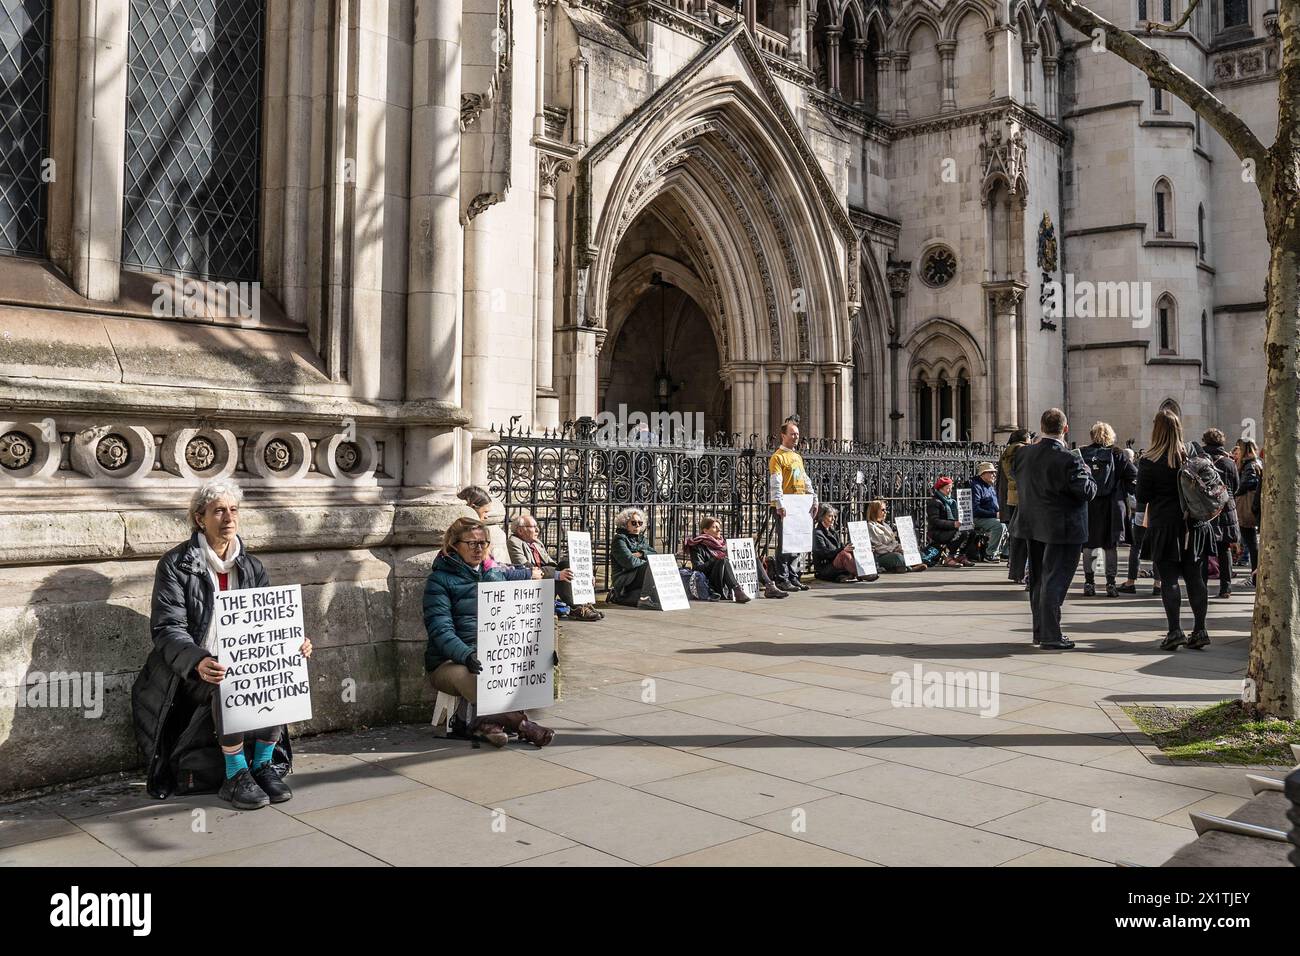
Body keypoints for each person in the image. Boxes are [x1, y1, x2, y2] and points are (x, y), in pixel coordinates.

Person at [132, 478, 313, 810]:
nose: (228, 518)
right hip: (190, 672)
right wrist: (198, 660)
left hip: (242, 659)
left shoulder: (252, 566)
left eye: (233, 510)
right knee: (227, 680)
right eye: (218, 511)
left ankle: (262, 764)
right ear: (200, 519)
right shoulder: (176, 565)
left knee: (279, 672)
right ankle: (235, 774)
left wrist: (292, 643)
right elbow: (168, 629)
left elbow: (268, 624)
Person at [423, 516, 555, 748]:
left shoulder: (495, 573)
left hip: (496, 655)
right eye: (472, 543)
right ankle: (524, 726)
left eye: (483, 543)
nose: (479, 548)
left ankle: (485, 725)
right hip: (451, 661)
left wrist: (541, 651)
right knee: (480, 680)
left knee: (528, 672)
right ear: (454, 545)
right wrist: (466, 655)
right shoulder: (439, 580)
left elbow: (516, 620)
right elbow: (440, 630)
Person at [1011, 408, 1097, 649]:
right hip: (1063, 528)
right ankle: (1050, 634)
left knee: (1038, 580)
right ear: (1065, 429)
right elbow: (1086, 492)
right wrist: (1089, 474)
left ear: (1042, 426)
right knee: (1055, 580)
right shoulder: (1070, 458)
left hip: (1032, 525)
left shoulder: (1024, 454)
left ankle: (1040, 631)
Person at [1138, 409, 1214, 651]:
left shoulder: (1149, 460)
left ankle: (1175, 631)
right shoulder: (1193, 453)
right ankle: (1200, 630)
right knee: (1195, 578)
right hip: (1194, 524)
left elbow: (1142, 496)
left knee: (1169, 579)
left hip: (1165, 525)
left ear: (1156, 430)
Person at [506, 511, 604, 621]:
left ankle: (584, 604)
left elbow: (552, 564)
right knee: (560, 573)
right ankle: (577, 608)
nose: (537, 530)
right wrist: (558, 574)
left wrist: (582, 576)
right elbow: (526, 567)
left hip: (546, 577)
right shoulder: (513, 542)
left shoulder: (536, 542)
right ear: (520, 530)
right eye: (533, 527)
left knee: (566, 565)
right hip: (532, 580)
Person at [1079, 422, 1138, 598]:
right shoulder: (1118, 454)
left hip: (1089, 504)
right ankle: (1110, 584)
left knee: (1089, 545)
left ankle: (1089, 582)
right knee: (1110, 545)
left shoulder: (1082, 453)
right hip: (1112, 505)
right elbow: (1133, 475)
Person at [768, 420, 814, 592]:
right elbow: (776, 482)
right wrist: (779, 504)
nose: (796, 437)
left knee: (797, 542)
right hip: (785, 506)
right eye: (792, 434)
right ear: (783, 435)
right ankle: (782, 578)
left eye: (797, 434)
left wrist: (813, 498)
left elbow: (804, 479)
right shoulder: (778, 457)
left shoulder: (797, 457)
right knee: (785, 543)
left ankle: (794, 577)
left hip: (799, 505)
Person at [1201, 429, 1239, 598]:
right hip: (1225, 506)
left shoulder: (1199, 461)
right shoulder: (1229, 463)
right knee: (1224, 549)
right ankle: (1226, 587)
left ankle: (1201, 585)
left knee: (1202, 549)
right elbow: (1236, 487)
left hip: (1205, 508)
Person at [682, 517, 755, 602]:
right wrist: (714, 560)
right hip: (710, 582)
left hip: (725, 579)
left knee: (755, 560)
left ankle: (769, 586)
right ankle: (737, 590)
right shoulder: (697, 546)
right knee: (723, 560)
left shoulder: (723, 544)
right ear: (705, 530)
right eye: (714, 527)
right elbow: (698, 569)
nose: (718, 530)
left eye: (719, 527)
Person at [608, 507, 660, 608]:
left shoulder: (641, 539)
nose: (637, 525)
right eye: (633, 523)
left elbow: (654, 553)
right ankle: (644, 599)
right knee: (651, 566)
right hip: (624, 579)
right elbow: (630, 562)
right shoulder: (619, 540)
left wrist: (642, 554)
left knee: (656, 564)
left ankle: (645, 596)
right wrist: (647, 563)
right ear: (625, 523)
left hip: (636, 577)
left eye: (640, 523)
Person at [997, 428, 1031, 584]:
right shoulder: (1023, 451)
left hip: (1010, 498)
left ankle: (1016, 570)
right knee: (1025, 538)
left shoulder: (1006, 452)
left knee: (1016, 537)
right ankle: (1023, 572)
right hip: (1023, 498)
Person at [811, 504, 877, 582]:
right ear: (822, 517)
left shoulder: (833, 532)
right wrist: (843, 549)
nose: (833, 519)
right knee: (843, 554)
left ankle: (868, 570)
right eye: (830, 516)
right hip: (825, 567)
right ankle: (862, 575)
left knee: (851, 551)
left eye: (834, 516)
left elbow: (842, 547)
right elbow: (824, 553)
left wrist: (857, 547)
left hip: (835, 563)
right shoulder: (817, 533)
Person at [865, 499, 926, 572]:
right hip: (882, 555)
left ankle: (903, 566)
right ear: (874, 511)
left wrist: (900, 547)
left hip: (892, 550)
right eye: (882, 510)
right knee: (897, 557)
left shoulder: (886, 525)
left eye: (885, 510)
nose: (885, 512)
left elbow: (893, 541)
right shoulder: (871, 526)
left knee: (917, 553)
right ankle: (910, 568)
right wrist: (893, 549)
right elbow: (878, 547)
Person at [1233, 438, 1262, 585]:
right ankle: (1255, 575)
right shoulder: (1256, 463)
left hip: (1246, 506)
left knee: (1251, 543)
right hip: (1251, 505)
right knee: (1251, 543)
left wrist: (1235, 493)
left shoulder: (1249, 465)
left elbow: (1247, 483)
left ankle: (1255, 576)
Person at [926, 477, 970, 567]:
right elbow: (934, 521)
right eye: (948, 488)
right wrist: (953, 524)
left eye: (951, 488)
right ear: (940, 489)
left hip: (949, 529)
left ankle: (961, 555)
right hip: (937, 531)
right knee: (961, 533)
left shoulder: (952, 501)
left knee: (971, 532)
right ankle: (949, 557)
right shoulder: (935, 502)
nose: (950, 490)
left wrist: (966, 523)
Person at [970, 462, 1006, 562]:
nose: (994, 475)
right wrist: (995, 514)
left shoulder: (989, 486)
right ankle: (990, 554)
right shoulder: (976, 486)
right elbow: (975, 510)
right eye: (991, 472)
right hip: (978, 518)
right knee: (999, 526)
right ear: (983, 474)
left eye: (994, 472)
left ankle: (1004, 553)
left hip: (991, 516)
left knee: (1010, 524)